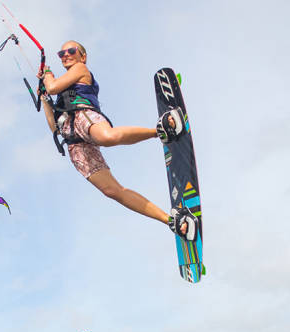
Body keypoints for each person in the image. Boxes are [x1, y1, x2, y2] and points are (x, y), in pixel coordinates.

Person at [37, 40, 197, 241]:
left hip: (84, 119)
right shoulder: (60, 92)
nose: (65, 55)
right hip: (74, 142)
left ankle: (160, 130)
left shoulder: (80, 68)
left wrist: (47, 78)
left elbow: (52, 87)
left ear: (82, 56)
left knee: (107, 137)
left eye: (70, 50)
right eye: (61, 54)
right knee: (112, 190)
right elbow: (54, 127)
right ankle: (171, 220)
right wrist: (43, 98)